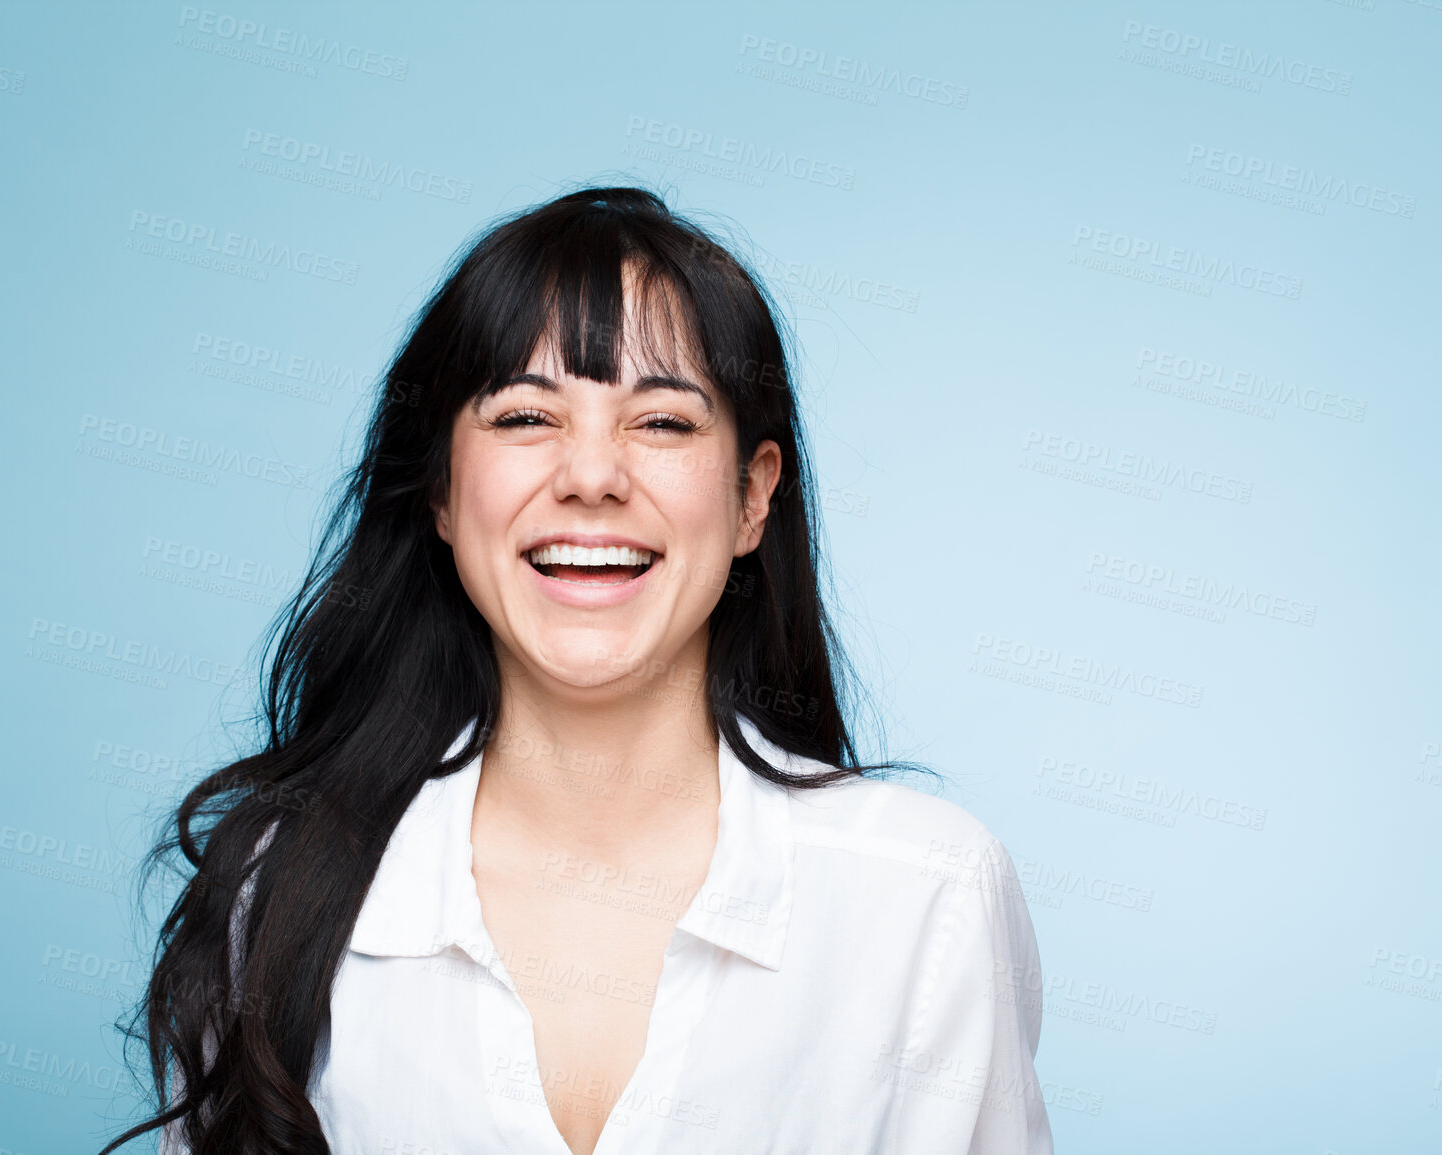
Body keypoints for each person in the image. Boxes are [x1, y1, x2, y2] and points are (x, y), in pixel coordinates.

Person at [100, 186, 1052, 1155]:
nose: (591, 476)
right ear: (438, 488)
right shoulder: (281, 891)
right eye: (524, 418)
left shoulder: (925, 893)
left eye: (663, 424)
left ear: (752, 498)